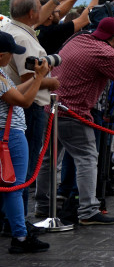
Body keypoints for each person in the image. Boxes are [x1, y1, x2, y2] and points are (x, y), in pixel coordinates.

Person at [34, 17, 114, 225]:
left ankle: (42, 205)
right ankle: (88, 210)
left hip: (52, 106)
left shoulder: (78, 39)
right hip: (73, 112)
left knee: (48, 159)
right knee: (87, 158)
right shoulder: (104, 52)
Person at [2, 0, 63, 215]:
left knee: (14, 171)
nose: (42, 11)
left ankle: (13, 219)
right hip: (30, 109)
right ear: (31, 12)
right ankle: (19, 222)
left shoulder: (12, 30)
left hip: (20, 109)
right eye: (39, 7)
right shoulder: (23, 39)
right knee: (24, 171)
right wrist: (51, 81)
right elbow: (29, 79)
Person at [0, 32, 51, 253]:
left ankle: (17, 231)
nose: (13, 57)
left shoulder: (1, 73)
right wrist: (39, 78)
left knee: (6, 186)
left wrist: (33, 78)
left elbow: (13, 93)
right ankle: (20, 236)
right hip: (9, 135)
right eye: (10, 53)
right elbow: (24, 101)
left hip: (6, 133)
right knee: (15, 186)